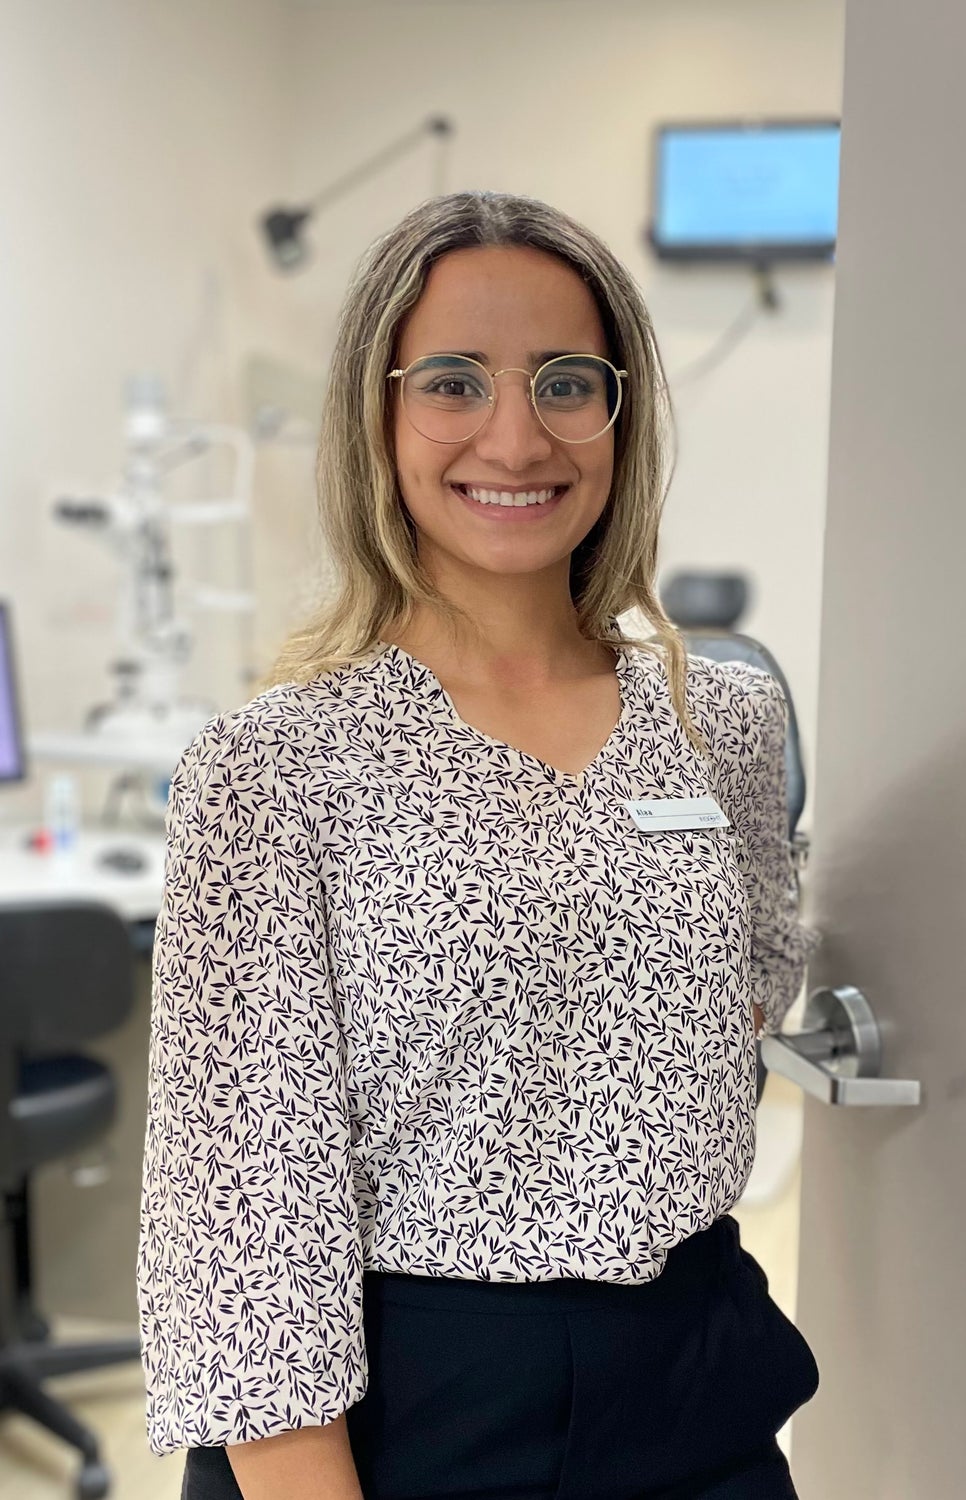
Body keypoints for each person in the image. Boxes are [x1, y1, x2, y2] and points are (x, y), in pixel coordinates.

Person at [136, 191, 820, 1500]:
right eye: (453, 381)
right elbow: (244, 1233)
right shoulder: (279, 769)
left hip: (700, 1365)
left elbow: (755, 979)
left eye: (568, 381)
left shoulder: (722, 721)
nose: (517, 434)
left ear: (621, 412)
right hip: (412, 1412)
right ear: (378, 414)